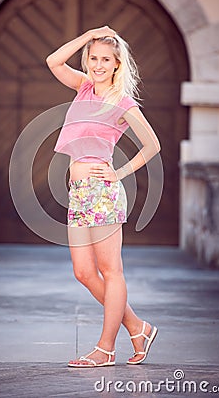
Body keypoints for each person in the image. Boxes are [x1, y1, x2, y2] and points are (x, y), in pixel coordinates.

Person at [46, 26, 161, 368]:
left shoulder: (121, 101)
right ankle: (138, 328)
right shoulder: (83, 87)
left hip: (102, 192)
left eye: (105, 60)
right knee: (83, 272)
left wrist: (120, 172)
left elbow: (152, 145)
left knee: (111, 271)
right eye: (93, 58)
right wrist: (89, 35)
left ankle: (106, 348)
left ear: (116, 64)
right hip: (78, 191)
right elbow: (53, 61)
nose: (97, 65)